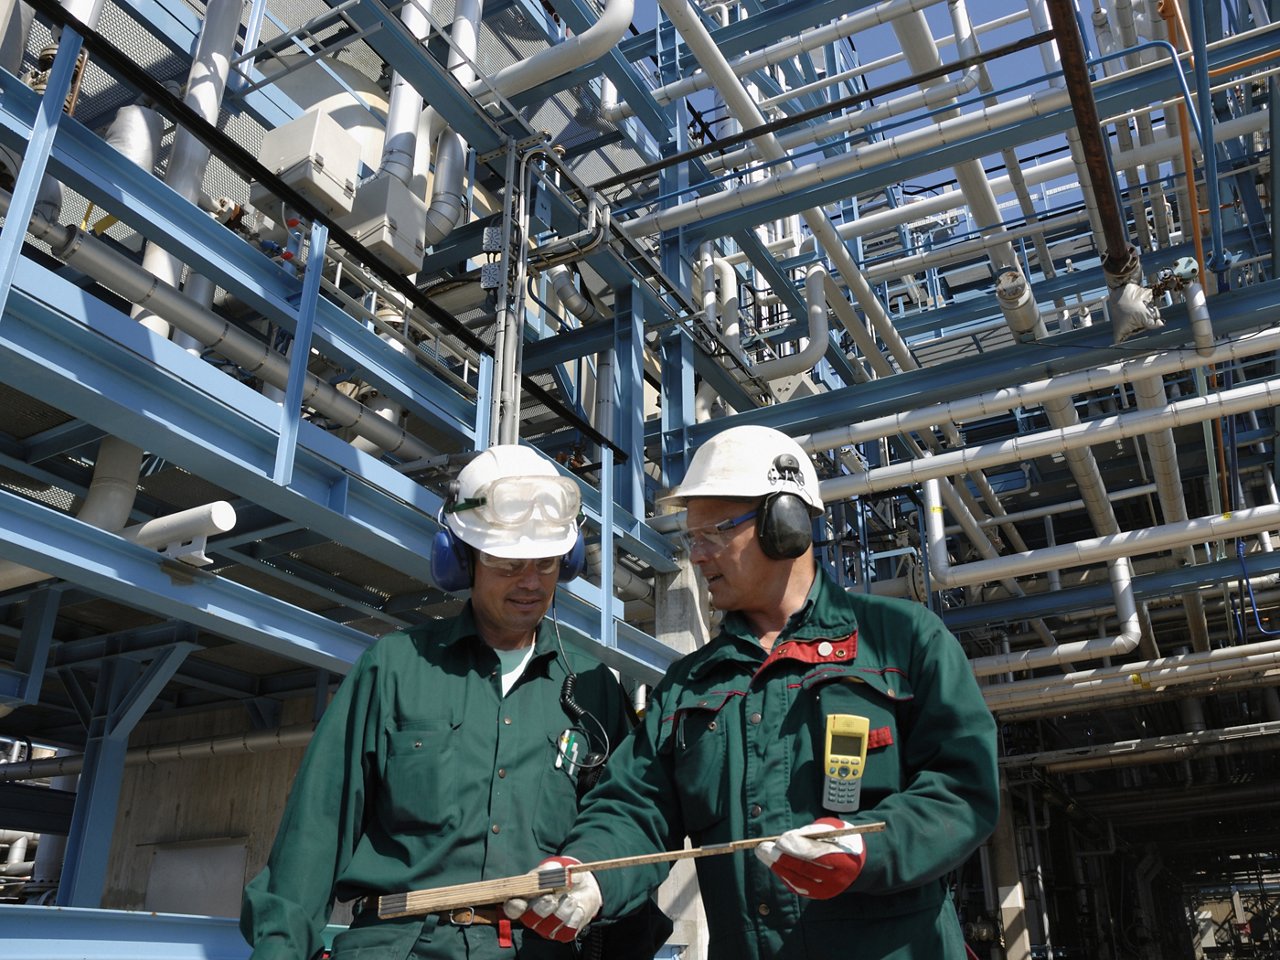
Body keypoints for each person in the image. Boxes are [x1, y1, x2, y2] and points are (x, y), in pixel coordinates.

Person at [505, 424, 1000, 959]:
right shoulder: (690, 686)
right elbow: (635, 807)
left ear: (783, 525)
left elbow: (961, 789)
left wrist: (866, 845)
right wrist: (589, 873)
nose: (697, 556)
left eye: (713, 533)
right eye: (691, 538)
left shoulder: (902, 641)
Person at [241, 444, 667, 960]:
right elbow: (316, 828)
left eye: (548, 562)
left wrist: (596, 882)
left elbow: (631, 819)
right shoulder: (396, 667)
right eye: (508, 562)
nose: (531, 582)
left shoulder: (594, 685)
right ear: (462, 558)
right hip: (399, 944)